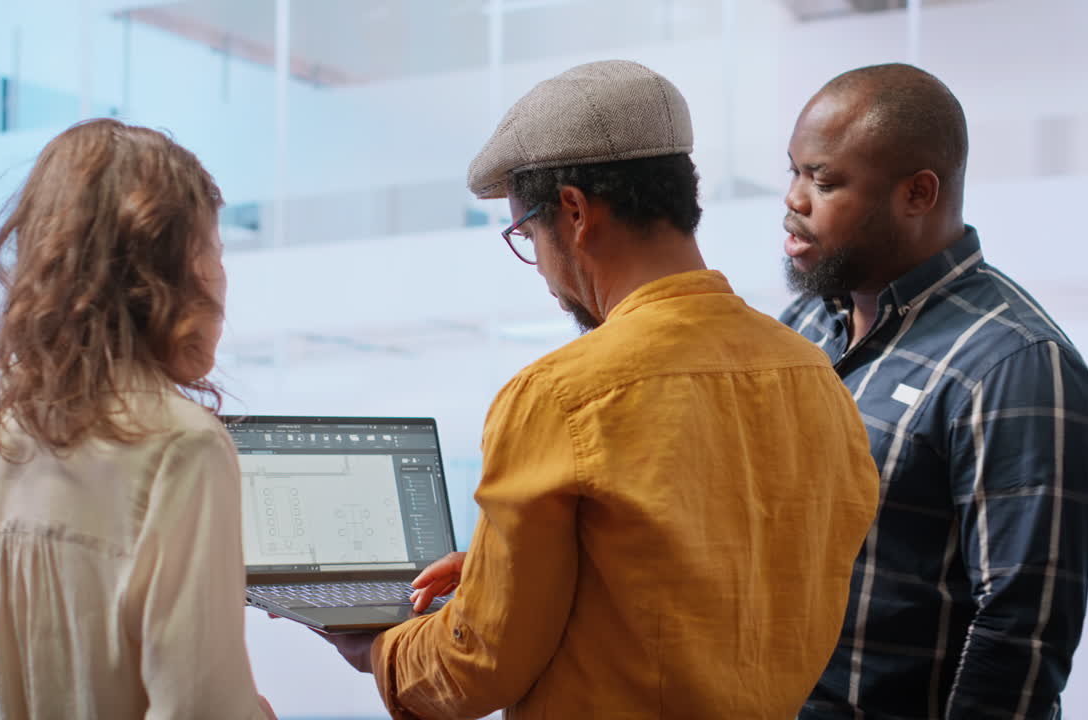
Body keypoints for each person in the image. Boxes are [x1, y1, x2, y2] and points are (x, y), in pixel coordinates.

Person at [319, 59, 880, 719]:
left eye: (526, 233)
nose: (542, 272)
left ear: (575, 213)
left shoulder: (560, 395)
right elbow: (713, 581)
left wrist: (376, 646)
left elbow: (477, 669)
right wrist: (506, 570)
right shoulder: (815, 376)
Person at [0, 119, 276, 720]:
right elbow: (200, 708)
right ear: (169, 274)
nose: (222, 277)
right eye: (213, 250)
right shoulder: (179, 448)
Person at [779, 63, 1088, 719]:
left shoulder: (1016, 364)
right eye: (793, 170)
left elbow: (1019, 635)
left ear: (918, 194)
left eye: (824, 180)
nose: (793, 198)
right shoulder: (809, 323)